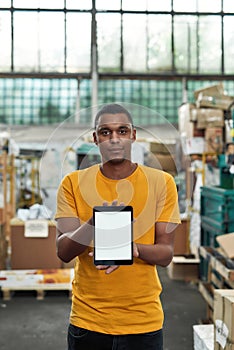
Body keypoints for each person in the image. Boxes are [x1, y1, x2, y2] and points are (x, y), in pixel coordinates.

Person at [55, 103, 181, 350]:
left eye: (122, 131)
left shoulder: (161, 183)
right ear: (95, 138)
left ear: (133, 135)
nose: (114, 139)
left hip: (143, 322)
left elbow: (166, 254)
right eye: (105, 132)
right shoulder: (73, 183)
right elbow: (63, 251)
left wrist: (133, 249)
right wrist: (93, 223)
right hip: (88, 321)